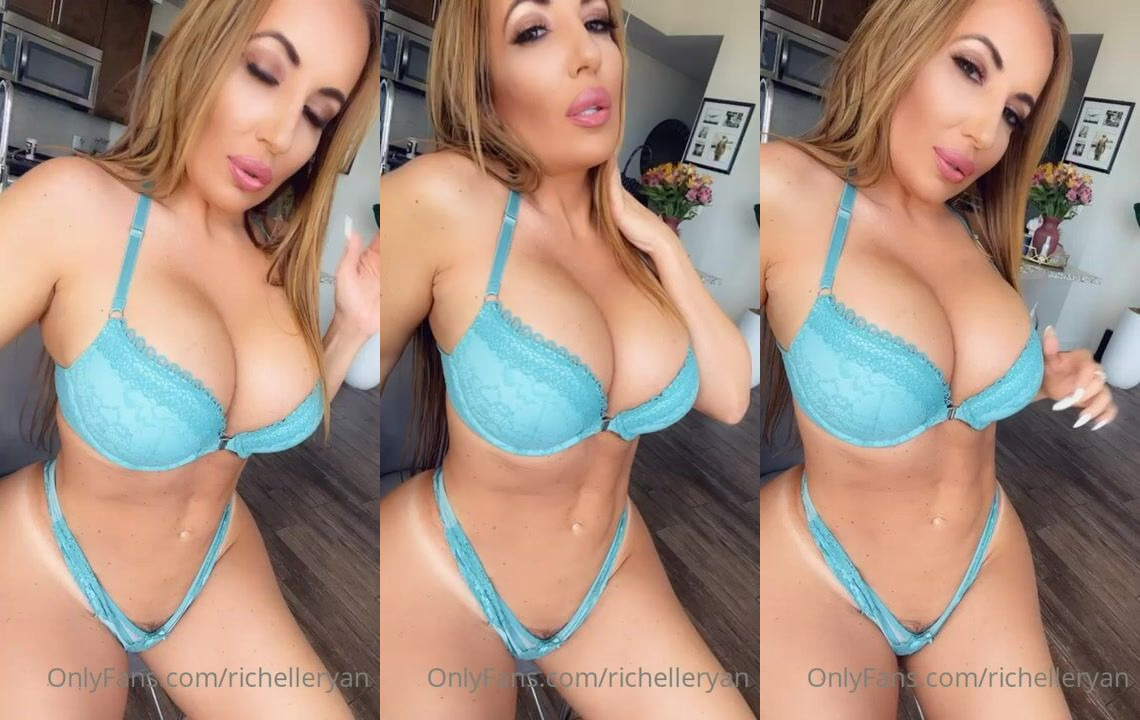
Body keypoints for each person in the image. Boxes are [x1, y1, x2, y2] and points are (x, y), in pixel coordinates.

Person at [0, 0, 384, 716]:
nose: (281, 136)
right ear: (204, 48)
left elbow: (259, 421)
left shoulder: (275, 263)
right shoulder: (77, 206)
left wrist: (352, 330)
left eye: (316, 114)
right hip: (56, 568)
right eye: (264, 71)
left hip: (213, 568)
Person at [372, 0, 755, 717]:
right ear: (482, 75)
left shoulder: (629, 237)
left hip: (608, 573)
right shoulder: (443, 199)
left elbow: (731, 397)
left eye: (598, 23)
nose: (588, 55)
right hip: (450, 572)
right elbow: (351, 383)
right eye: (534, 30)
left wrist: (663, 243)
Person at [756, 0, 1117, 717]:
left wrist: (1044, 380)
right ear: (903, 42)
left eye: (1013, 113)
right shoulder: (786, 187)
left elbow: (958, 400)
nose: (985, 133)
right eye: (970, 68)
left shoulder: (979, 231)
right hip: (824, 570)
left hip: (983, 561)